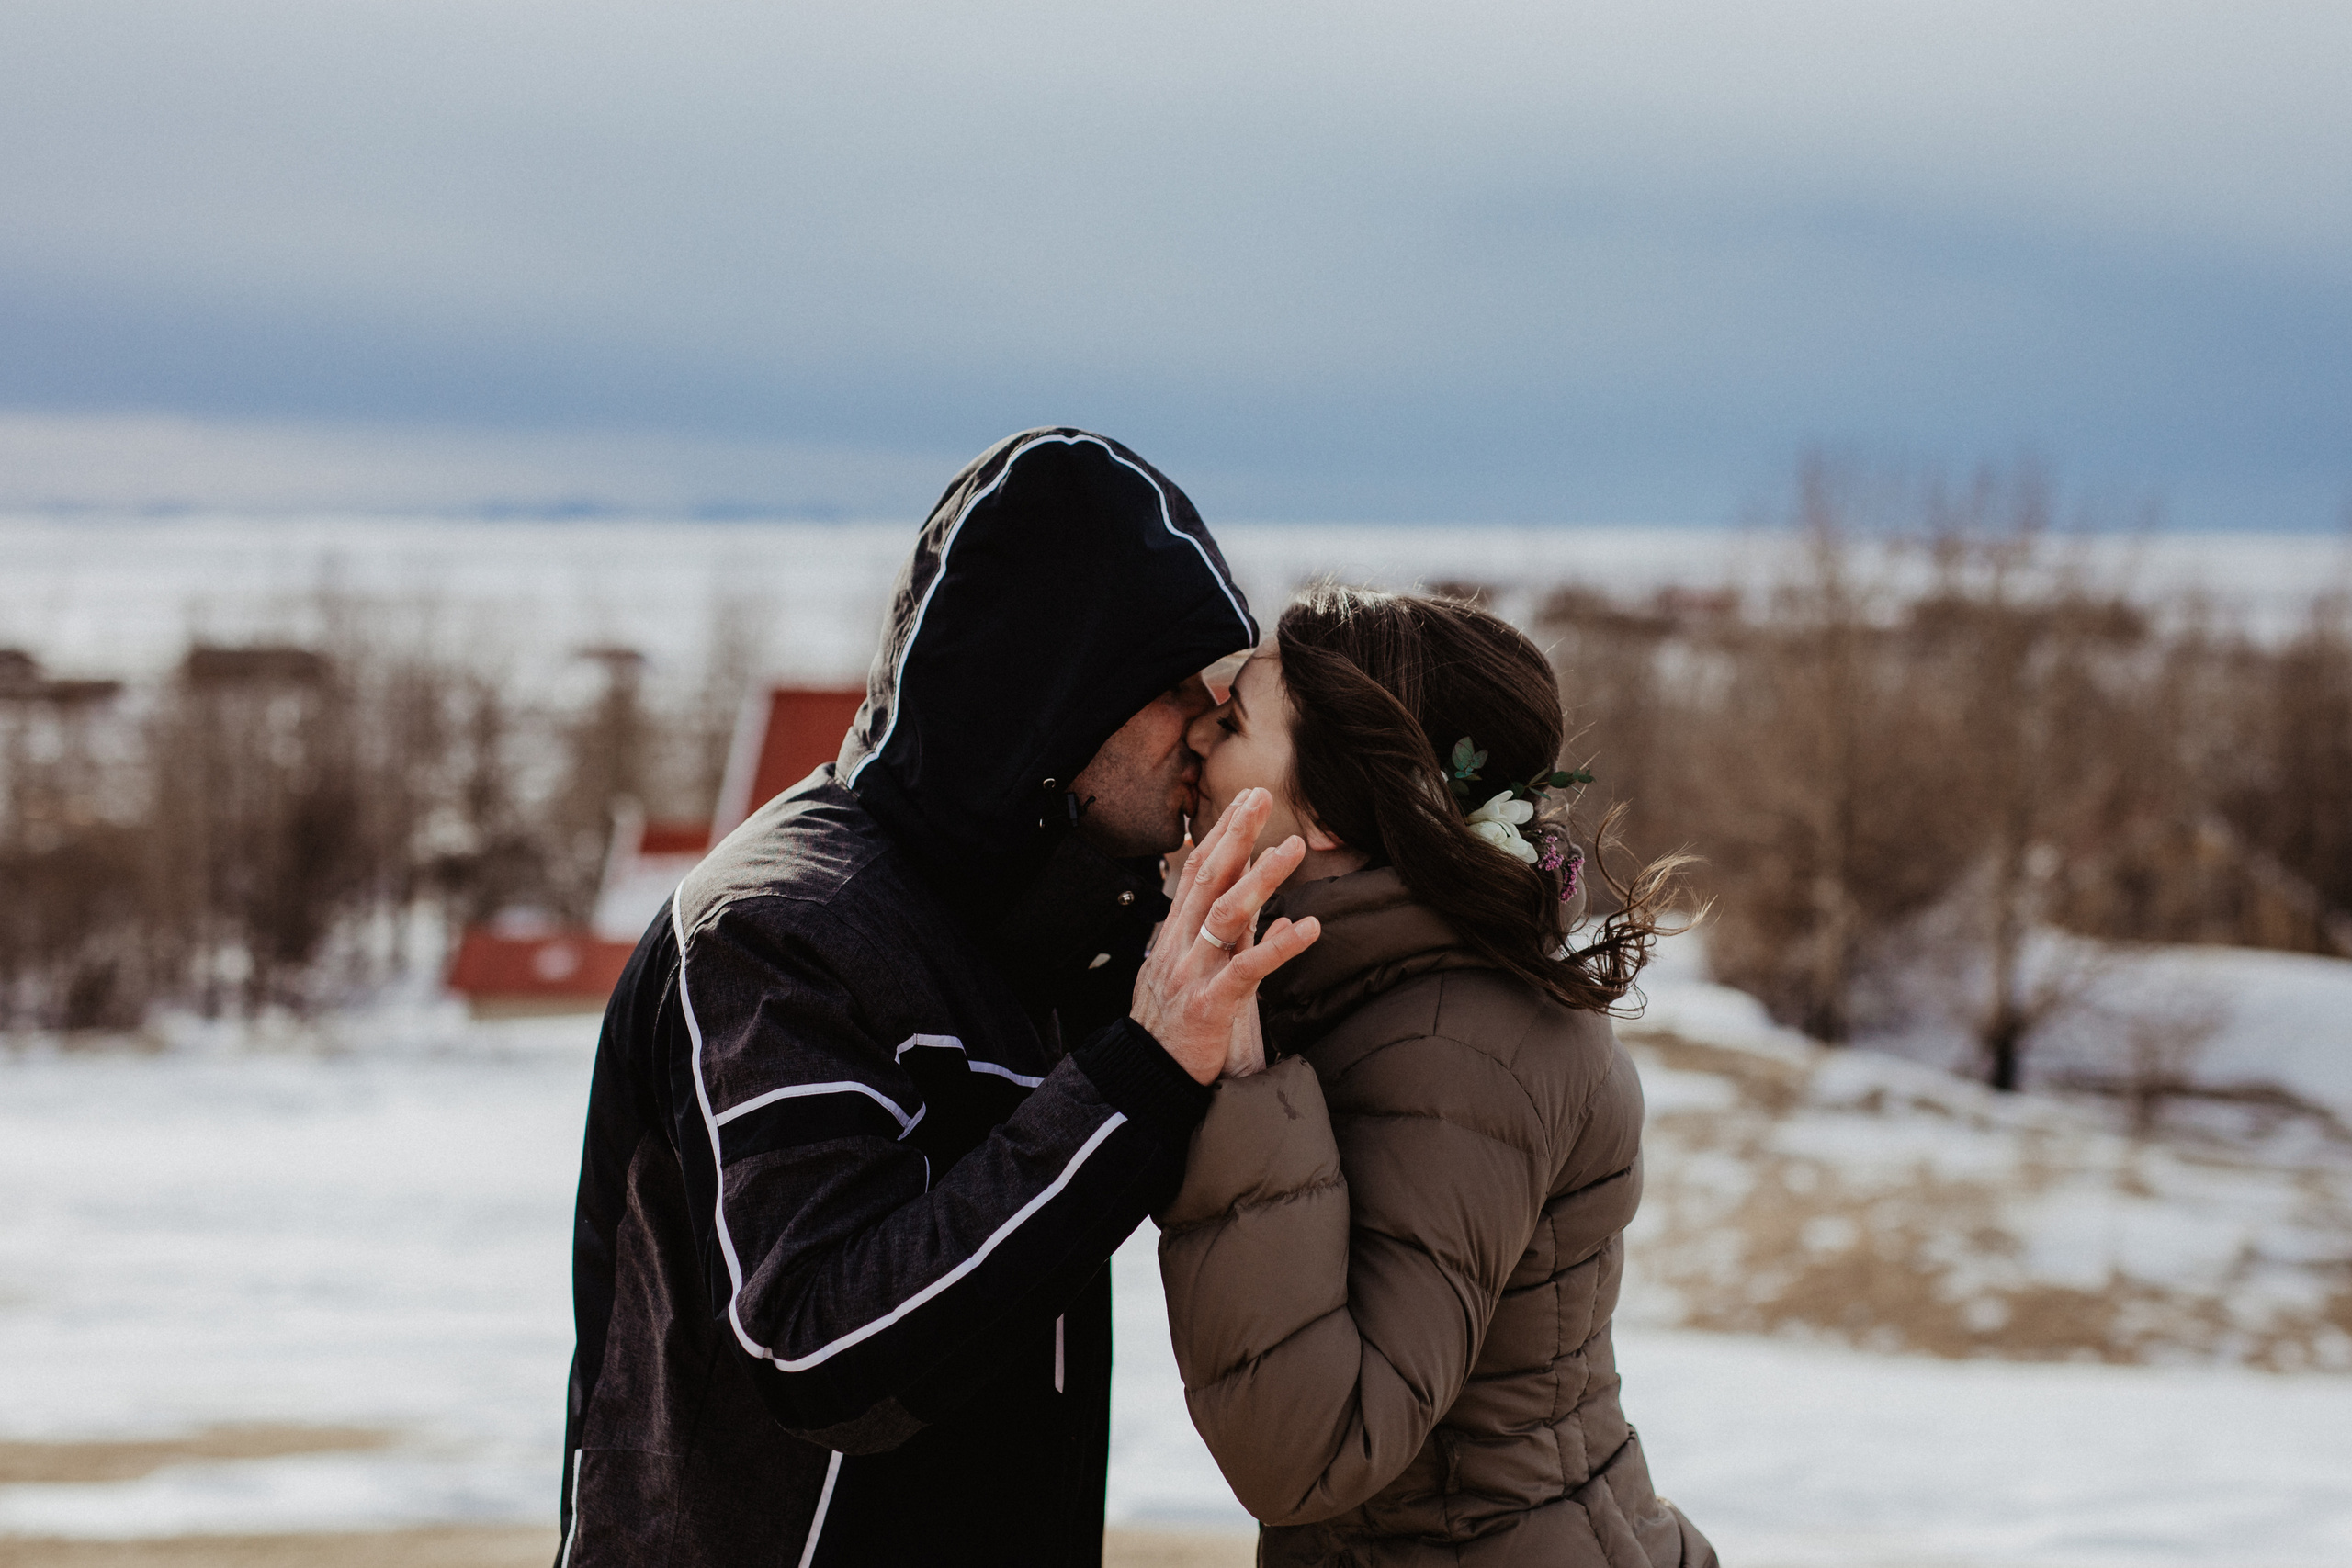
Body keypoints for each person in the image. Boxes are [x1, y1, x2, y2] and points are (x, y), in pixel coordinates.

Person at [557, 429, 1320, 1567]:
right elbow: (819, 1355)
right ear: (1054, 690)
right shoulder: (778, 930)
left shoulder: (1049, 929)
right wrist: (1139, 1073)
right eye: (1172, 687)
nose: (1207, 726)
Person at [1155, 586, 1717, 1567]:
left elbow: (1314, 1451)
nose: (1197, 737)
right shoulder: (1374, 991)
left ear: (1325, 811)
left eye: (1234, 720)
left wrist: (1240, 1089)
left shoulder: (1456, 1048)